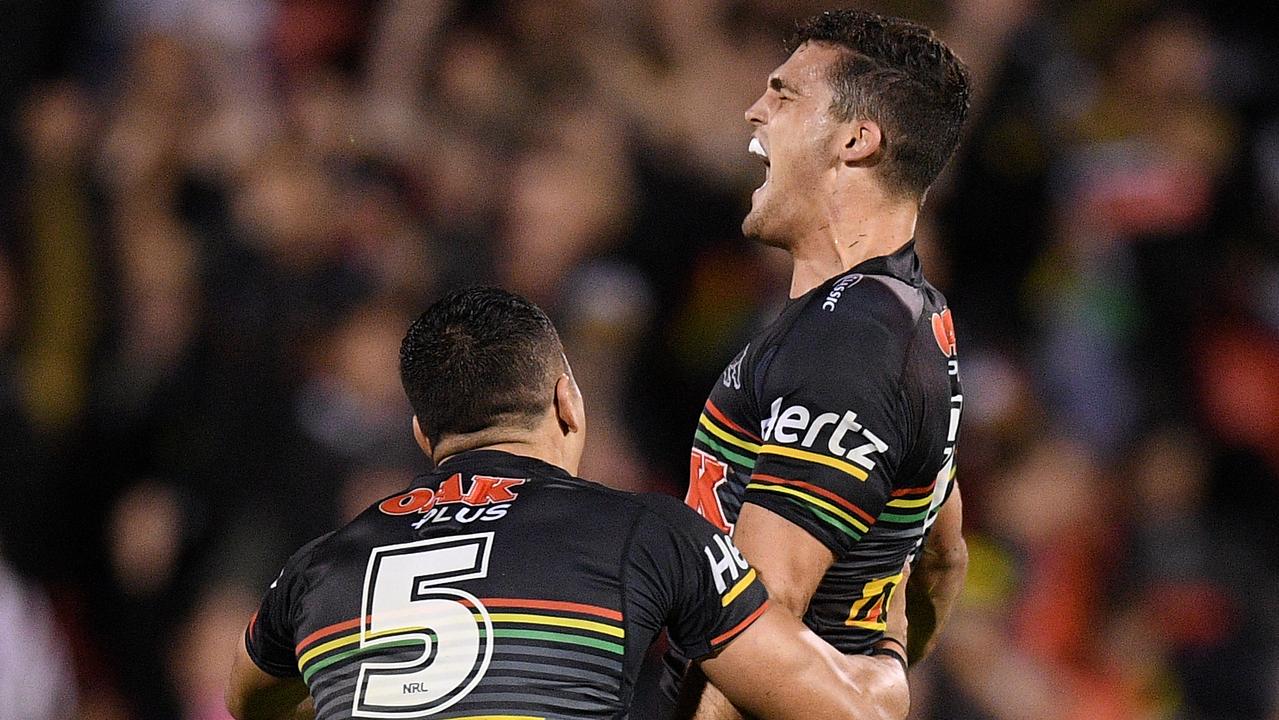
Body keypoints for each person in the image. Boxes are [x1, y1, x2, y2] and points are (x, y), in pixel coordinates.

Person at [225, 287, 910, 720]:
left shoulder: (315, 569)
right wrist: (894, 632)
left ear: (422, 436)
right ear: (567, 403)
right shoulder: (647, 533)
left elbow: (246, 702)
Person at [668, 9, 972, 718]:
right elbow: (939, 558)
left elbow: (756, 622)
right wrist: (885, 662)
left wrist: (871, 690)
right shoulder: (906, 315)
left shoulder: (850, 342)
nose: (753, 110)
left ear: (855, 140)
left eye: (782, 94)